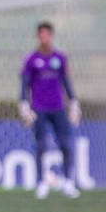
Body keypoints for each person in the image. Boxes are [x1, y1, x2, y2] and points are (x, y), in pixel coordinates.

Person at [19, 22, 82, 199]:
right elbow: (24, 83)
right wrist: (23, 103)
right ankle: (41, 183)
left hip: (58, 107)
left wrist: (74, 102)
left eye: (47, 35)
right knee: (41, 145)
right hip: (39, 108)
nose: (44, 38)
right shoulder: (31, 59)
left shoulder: (60, 58)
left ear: (51, 36)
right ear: (38, 37)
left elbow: (66, 81)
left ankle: (69, 182)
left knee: (66, 144)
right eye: (41, 35)